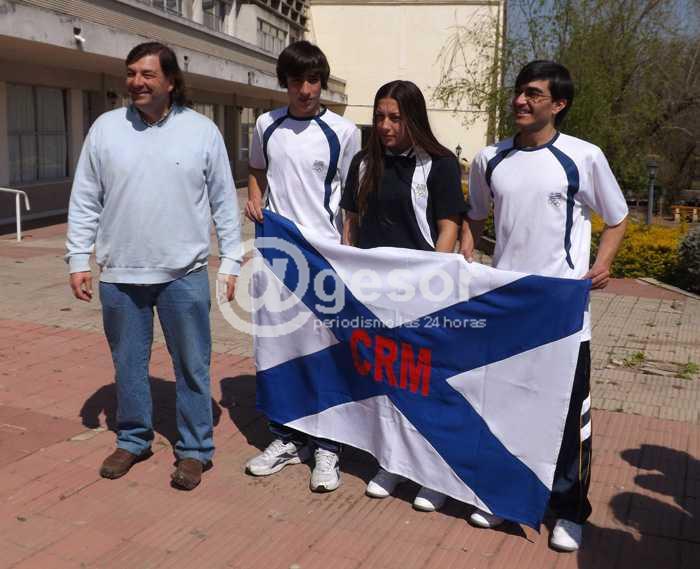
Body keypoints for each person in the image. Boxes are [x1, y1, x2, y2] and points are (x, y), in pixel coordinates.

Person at [461, 60, 628, 551]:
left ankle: (570, 510)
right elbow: (475, 213)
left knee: (570, 416)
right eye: (519, 91)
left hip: (561, 312)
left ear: (558, 104)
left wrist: (603, 264)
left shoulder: (583, 157)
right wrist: (467, 249)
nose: (520, 100)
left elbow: (616, 218)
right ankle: (504, 495)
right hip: (507, 307)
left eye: (533, 94)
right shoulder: (489, 158)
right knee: (502, 406)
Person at [66, 42, 242, 491]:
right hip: (121, 275)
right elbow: (85, 198)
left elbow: (224, 201)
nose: (136, 82)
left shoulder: (201, 131)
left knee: (192, 366)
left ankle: (195, 449)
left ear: (170, 81)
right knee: (128, 365)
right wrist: (77, 258)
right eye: (131, 73)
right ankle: (133, 438)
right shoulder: (105, 129)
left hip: (184, 273)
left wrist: (232, 260)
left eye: (147, 74)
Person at [341, 80, 466, 511]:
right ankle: (392, 462)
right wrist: (350, 272)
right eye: (379, 117)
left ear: (413, 119)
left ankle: (433, 473)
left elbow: (449, 226)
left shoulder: (440, 164)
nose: (385, 126)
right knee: (386, 382)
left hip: (423, 292)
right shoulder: (363, 162)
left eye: (395, 118)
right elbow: (351, 222)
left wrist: (432, 280)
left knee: (426, 383)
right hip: (375, 292)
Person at [244, 41, 361, 492]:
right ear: (285, 83)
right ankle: (289, 438)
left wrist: (349, 251)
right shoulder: (266, 125)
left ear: (322, 83)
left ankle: (329, 445)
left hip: (325, 258)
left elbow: (353, 197)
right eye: (297, 81)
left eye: (314, 81)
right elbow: (256, 170)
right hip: (277, 255)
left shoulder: (343, 132)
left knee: (325, 350)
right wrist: (255, 196)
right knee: (279, 350)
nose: (306, 90)